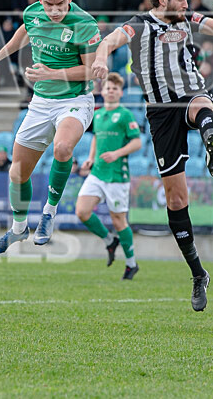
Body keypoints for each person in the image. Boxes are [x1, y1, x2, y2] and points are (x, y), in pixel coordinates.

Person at [91, 0, 213, 311]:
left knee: (200, 104)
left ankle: (211, 137)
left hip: (189, 94)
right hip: (159, 113)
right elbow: (109, 41)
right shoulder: (139, 24)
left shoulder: (189, 19)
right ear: (163, 1)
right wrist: (100, 58)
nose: (187, 4)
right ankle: (198, 274)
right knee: (175, 199)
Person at [0, 0, 101, 254]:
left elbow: (92, 70)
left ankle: (48, 213)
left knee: (63, 147)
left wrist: (52, 73)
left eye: (60, 5)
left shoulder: (84, 24)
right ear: (39, 0)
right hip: (41, 102)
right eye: (49, 6)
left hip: (75, 100)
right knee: (17, 172)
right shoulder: (33, 13)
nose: (54, 12)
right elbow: (25, 30)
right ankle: (18, 229)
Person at [77, 73, 142, 280]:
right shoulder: (98, 114)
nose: (111, 91)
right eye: (108, 88)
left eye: (115, 88)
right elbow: (96, 137)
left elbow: (137, 143)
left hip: (116, 175)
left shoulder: (125, 115)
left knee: (119, 221)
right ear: (102, 91)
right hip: (97, 173)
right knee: (82, 212)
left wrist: (116, 153)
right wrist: (90, 158)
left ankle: (131, 264)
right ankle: (109, 240)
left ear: (120, 93)